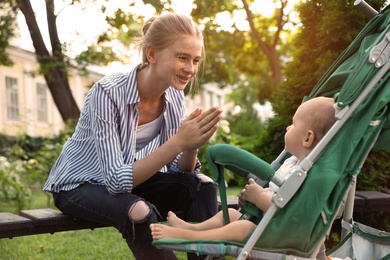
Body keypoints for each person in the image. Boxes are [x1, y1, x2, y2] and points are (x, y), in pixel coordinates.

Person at [43, 13, 222, 260]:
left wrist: (191, 146)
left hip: (124, 179)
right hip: (78, 185)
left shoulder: (173, 96)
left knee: (202, 186)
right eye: (182, 57)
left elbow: (179, 170)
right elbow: (116, 180)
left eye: (195, 60)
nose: (190, 69)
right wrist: (178, 141)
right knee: (138, 211)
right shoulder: (107, 93)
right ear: (152, 54)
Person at [150, 96, 336, 243]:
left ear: (308, 138)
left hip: (281, 236)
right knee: (230, 214)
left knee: (242, 228)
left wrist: (259, 198)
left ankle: (189, 236)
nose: (288, 127)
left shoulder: (307, 175)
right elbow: (277, 193)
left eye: (293, 124)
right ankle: (191, 228)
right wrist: (254, 197)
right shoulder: (291, 163)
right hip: (265, 224)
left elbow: (291, 214)